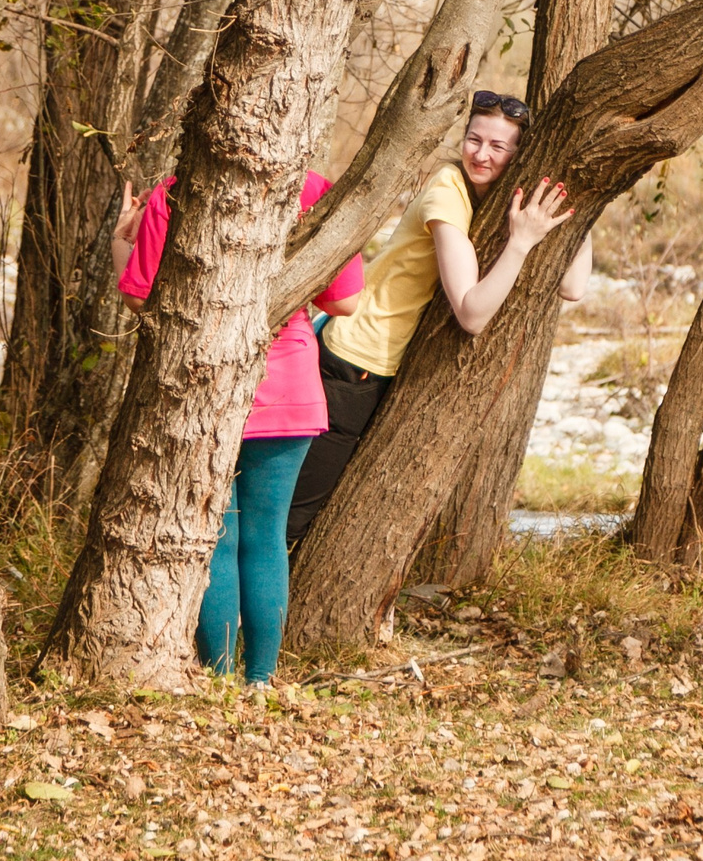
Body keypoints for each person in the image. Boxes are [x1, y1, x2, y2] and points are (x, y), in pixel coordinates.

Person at [285, 88, 592, 548]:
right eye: (474, 139)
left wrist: (576, 216)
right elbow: (471, 313)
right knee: (295, 517)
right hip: (353, 360)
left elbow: (572, 287)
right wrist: (521, 244)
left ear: (519, 155)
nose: (481, 155)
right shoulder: (448, 191)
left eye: (497, 146)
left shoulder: (496, 199)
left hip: (373, 362)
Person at [112, 168, 364, 685]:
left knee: (218, 537)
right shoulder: (312, 189)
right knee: (266, 536)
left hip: (206, 384)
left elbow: (140, 296)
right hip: (288, 382)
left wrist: (124, 238)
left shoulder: (180, 185)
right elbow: (344, 301)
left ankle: (222, 679)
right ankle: (260, 681)